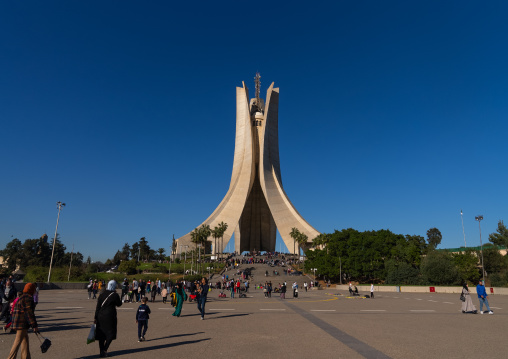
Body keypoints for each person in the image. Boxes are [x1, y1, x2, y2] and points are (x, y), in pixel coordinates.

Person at [7, 283, 39, 359]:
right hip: (22, 324)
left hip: (18, 323)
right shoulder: (28, 298)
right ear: (32, 290)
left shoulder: (21, 297)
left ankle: (26, 357)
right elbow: (29, 314)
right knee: (17, 343)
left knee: (25, 342)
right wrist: (34, 325)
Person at [94, 280, 122, 357]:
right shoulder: (114, 295)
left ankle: (101, 351)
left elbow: (98, 307)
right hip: (110, 316)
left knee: (101, 334)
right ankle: (105, 349)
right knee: (110, 333)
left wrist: (95, 317)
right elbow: (119, 304)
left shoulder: (102, 294)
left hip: (100, 316)